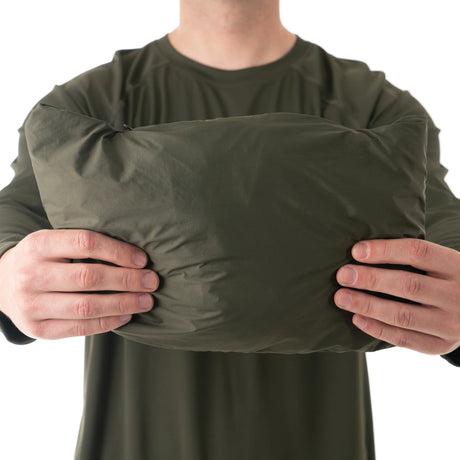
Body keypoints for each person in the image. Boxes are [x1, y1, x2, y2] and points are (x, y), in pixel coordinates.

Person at [1, 1, 459, 458]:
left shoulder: (376, 109)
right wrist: (6, 277)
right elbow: (14, 217)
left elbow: (443, 227)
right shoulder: (83, 110)